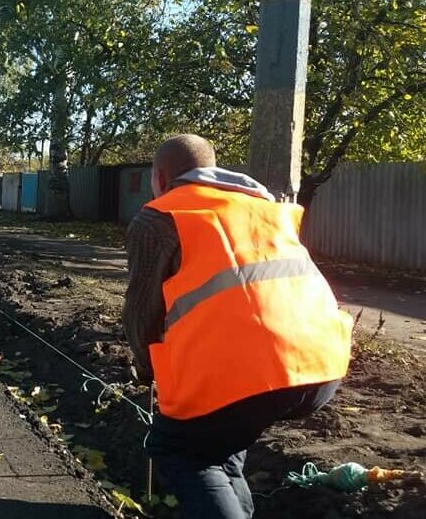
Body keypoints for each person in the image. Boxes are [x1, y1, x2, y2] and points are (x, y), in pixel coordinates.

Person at [122, 134, 353, 519]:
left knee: (178, 448)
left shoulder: (159, 216)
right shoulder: (263, 207)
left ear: (160, 177)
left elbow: (141, 313)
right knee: (220, 445)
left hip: (246, 374)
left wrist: (147, 370)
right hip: (321, 364)